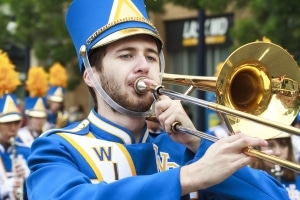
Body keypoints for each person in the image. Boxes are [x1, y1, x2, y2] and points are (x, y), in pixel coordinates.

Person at [26, 0, 289, 199]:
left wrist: (197, 141)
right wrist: (189, 177)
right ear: (90, 75)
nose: (144, 66)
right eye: (126, 55)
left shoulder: (183, 149)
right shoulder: (57, 147)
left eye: (151, 56)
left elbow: (274, 196)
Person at [0, 50, 30, 200]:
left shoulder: (26, 152)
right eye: (6, 123)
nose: (13, 127)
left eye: (16, 122)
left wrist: (29, 179)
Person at [250, 132, 300, 199]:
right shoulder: (250, 180)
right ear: (258, 149)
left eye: (283, 145)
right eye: (270, 145)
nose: (277, 152)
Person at [18, 67, 49, 147]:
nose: (39, 121)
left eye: (42, 118)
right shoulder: (20, 135)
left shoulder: (49, 134)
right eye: (36, 118)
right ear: (30, 118)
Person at [46, 62, 69, 129]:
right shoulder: (44, 115)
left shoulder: (64, 115)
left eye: (59, 102)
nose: (57, 105)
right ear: (49, 101)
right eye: (54, 101)